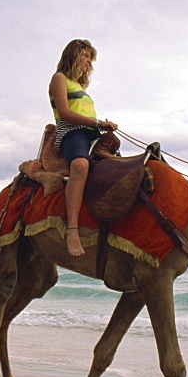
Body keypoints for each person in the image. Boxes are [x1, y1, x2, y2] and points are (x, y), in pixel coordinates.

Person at [48, 39, 118, 257]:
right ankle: (72, 229)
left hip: (92, 134)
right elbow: (66, 113)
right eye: (85, 56)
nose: (88, 62)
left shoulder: (81, 87)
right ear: (74, 55)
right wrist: (98, 123)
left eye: (90, 58)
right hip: (72, 132)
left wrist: (102, 128)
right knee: (79, 165)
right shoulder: (59, 78)